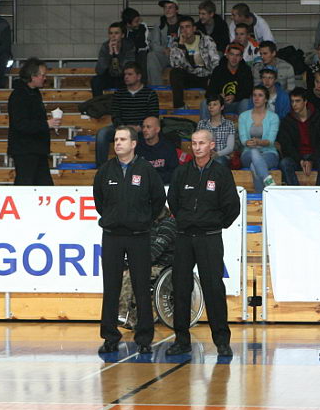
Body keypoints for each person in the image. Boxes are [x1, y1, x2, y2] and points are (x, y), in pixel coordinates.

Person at [167, 128, 241, 357]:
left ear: (211, 145)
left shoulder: (221, 173)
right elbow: (173, 201)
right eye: (194, 143)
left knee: (214, 289)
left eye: (201, 143)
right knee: (180, 288)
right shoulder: (181, 172)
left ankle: (222, 341)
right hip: (184, 237)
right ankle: (181, 340)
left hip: (209, 238)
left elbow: (232, 206)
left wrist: (214, 223)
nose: (197, 147)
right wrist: (185, 220)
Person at [94, 125, 167, 355]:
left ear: (134, 144)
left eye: (123, 139)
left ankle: (144, 338)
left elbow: (158, 200)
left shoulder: (146, 170)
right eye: (116, 139)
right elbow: (99, 201)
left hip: (139, 236)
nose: (118, 143)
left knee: (141, 287)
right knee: (111, 287)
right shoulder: (105, 170)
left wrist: (143, 220)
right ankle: (109, 336)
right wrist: (114, 217)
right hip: (112, 235)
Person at [118, 206, 177, 330]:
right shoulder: (150, 226)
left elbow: (157, 249)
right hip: (149, 263)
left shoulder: (169, 225)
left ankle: (122, 313)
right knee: (125, 272)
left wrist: (138, 263)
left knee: (131, 275)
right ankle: (132, 317)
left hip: (163, 266)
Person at [95, 62, 159, 168]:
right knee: (102, 134)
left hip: (142, 128)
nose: (126, 77)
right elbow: (115, 115)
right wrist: (123, 127)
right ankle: (101, 169)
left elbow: (153, 115)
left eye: (130, 74)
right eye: (125, 74)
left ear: (138, 76)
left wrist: (140, 127)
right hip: (122, 127)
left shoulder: (150, 94)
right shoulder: (119, 94)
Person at [7, 57, 59, 185]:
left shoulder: (34, 93)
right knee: (26, 186)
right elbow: (20, 124)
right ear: (32, 76)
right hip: (25, 150)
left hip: (37, 149)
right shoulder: (19, 96)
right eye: (42, 75)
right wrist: (46, 124)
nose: (45, 78)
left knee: (43, 187)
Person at [278, 87, 320, 186]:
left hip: (316, 156)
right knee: (284, 163)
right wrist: (300, 160)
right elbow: (286, 145)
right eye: (292, 101)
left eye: (297, 101)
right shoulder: (287, 121)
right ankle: (296, 193)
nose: (294, 104)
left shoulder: (319, 117)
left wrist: (312, 159)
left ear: (305, 101)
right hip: (296, 157)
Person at [169, 16, 219, 109]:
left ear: (194, 28)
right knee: (174, 73)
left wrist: (212, 77)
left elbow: (215, 61)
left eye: (187, 27)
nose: (185, 30)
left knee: (216, 80)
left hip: (205, 76)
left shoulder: (206, 40)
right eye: (182, 27)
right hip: (189, 76)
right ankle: (179, 106)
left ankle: (212, 106)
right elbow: (175, 64)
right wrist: (181, 45)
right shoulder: (176, 44)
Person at [239, 85, 280, 192]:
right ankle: (268, 180)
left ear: (266, 99)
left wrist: (259, 142)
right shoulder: (243, 116)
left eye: (260, 95)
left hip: (269, 153)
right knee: (254, 151)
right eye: (254, 95)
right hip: (248, 153)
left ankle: (260, 196)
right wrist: (248, 142)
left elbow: (270, 141)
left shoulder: (273, 117)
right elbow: (243, 139)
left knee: (254, 166)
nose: (256, 98)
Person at [203, 42, 253, 121]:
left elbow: (248, 90)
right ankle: (204, 127)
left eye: (237, 55)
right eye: (232, 54)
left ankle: (244, 128)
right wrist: (218, 97)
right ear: (227, 55)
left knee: (246, 102)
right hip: (219, 104)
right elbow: (209, 92)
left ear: (241, 58)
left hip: (237, 103)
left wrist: (235, 97)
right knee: (205, 103)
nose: (234, 58)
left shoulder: (246, 70)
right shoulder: (218, 70)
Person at [91, 22, 136, 97]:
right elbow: (99, 70)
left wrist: (118, 54)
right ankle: (98, 103)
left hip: (123, 76)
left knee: (131, 80)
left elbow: (129, 68)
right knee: (96, 81)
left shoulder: (129, 46)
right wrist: (110, 54)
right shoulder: (105, 46)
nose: (113, 36)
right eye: (111, 33)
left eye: (116, 33)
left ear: (122, 35)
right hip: (109, 76)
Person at [147, 0, 184, 87]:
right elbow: (154, 45)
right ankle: (157, 89)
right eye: (165, 8)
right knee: (151, 55)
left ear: (176, 10)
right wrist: (164, 49)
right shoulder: (159, 24)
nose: (167, 10)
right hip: (165, 55)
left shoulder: (184, 24)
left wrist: (175, 51)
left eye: (170, 7)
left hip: (181, 55)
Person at [198, 95, 236, 168]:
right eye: (209, 105)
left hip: (222, 157)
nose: (211, 107)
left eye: (214, 104)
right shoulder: (202, 124)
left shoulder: (229, 124)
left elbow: (230, 147)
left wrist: (217, 154)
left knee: (218, 161)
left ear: (222, 107)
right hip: (205, 156)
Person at [137, 116, 178, 184]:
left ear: (157, 129)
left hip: (164, 184)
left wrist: (155, 179)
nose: (144, 130)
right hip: (143, 185)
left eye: (148, 127)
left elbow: (174, 172)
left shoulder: (169, 147)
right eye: (143, 127)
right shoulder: (137, 148)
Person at [122, 7, 149, 72]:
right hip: (127, 53)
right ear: (128, 24)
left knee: (142, 55)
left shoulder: (143, 27)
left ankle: (141, 77)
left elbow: (145, 45)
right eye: (136, 22)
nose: (139, 23)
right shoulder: (121, 29)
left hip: (140, 52)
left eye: (139, 20)